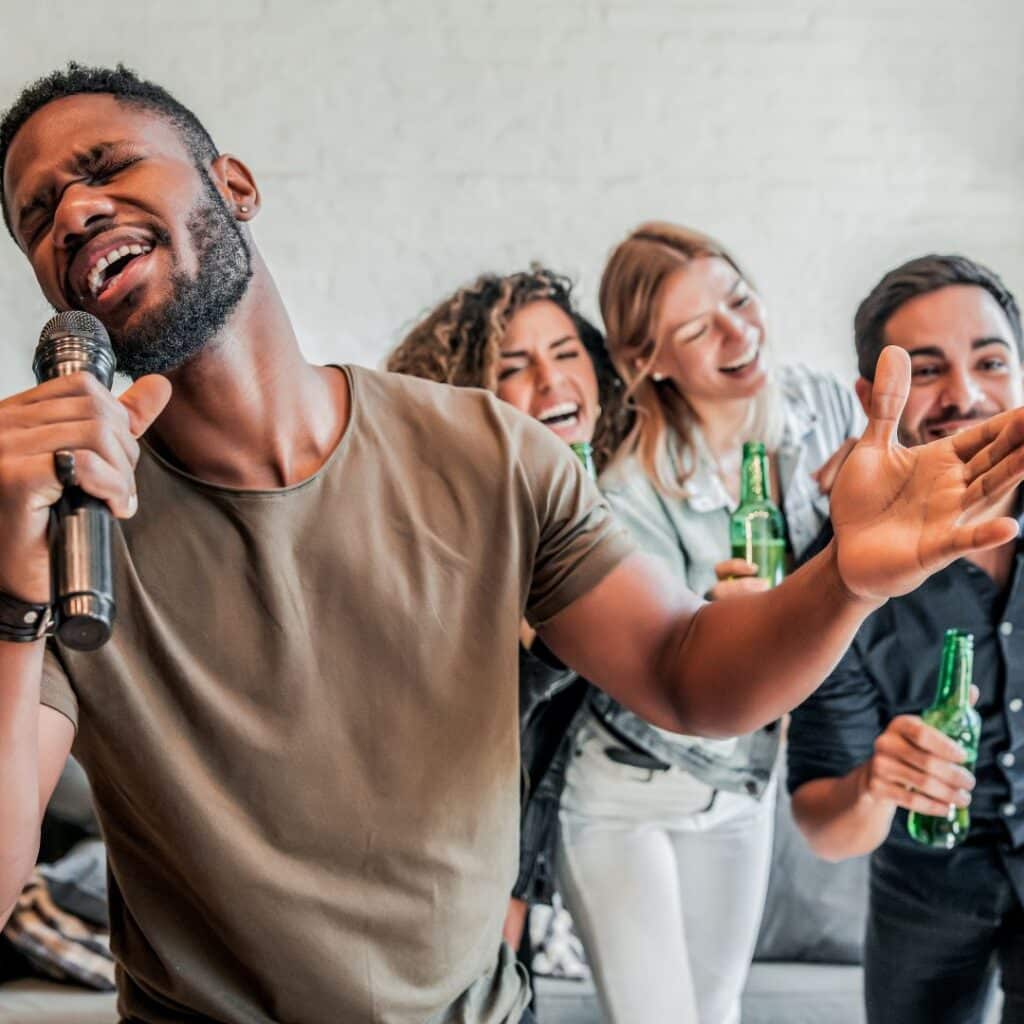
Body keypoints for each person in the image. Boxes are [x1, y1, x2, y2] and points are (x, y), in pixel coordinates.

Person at [0, 65, 1021, 1024]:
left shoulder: (488, 452)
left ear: (233, 184)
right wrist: (10, 592)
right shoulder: (59, 528)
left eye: (103, 167)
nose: (73, 212)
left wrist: (841, 576)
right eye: (35, 216)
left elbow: (683, 676)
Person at [554, 221, 863, 1024]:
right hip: (629, 791)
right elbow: (653, 675)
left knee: (719, 1010)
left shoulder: (825, 407)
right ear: (646, 361)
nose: (739, 332)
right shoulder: (629, 494)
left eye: (739, 299)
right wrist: (724, 642)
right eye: (697, 329)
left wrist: (859, 501)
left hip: (741, 789)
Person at [787, 254, 1024, 1024]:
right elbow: (824, 826)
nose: (966, 395)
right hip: (922, 889)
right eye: (927, 370)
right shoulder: (841, 569)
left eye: (990, 360)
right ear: (872, 398)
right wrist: (877, 784)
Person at [386, 265, 629, 982]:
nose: (553, 383)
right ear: (472, 396)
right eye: (516, 366)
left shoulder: (610, 500)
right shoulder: (451, 524)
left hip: (519, 873)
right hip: (437, 857)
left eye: (566, 353)